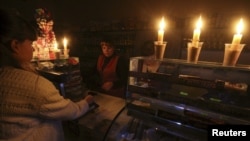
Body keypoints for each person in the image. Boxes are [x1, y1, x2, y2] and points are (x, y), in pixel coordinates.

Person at [0, 8, 94, 141]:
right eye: (30, 43)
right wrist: (86, 102)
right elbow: (70, 111)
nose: (33, 48)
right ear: (15, 45)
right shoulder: (33, 85)